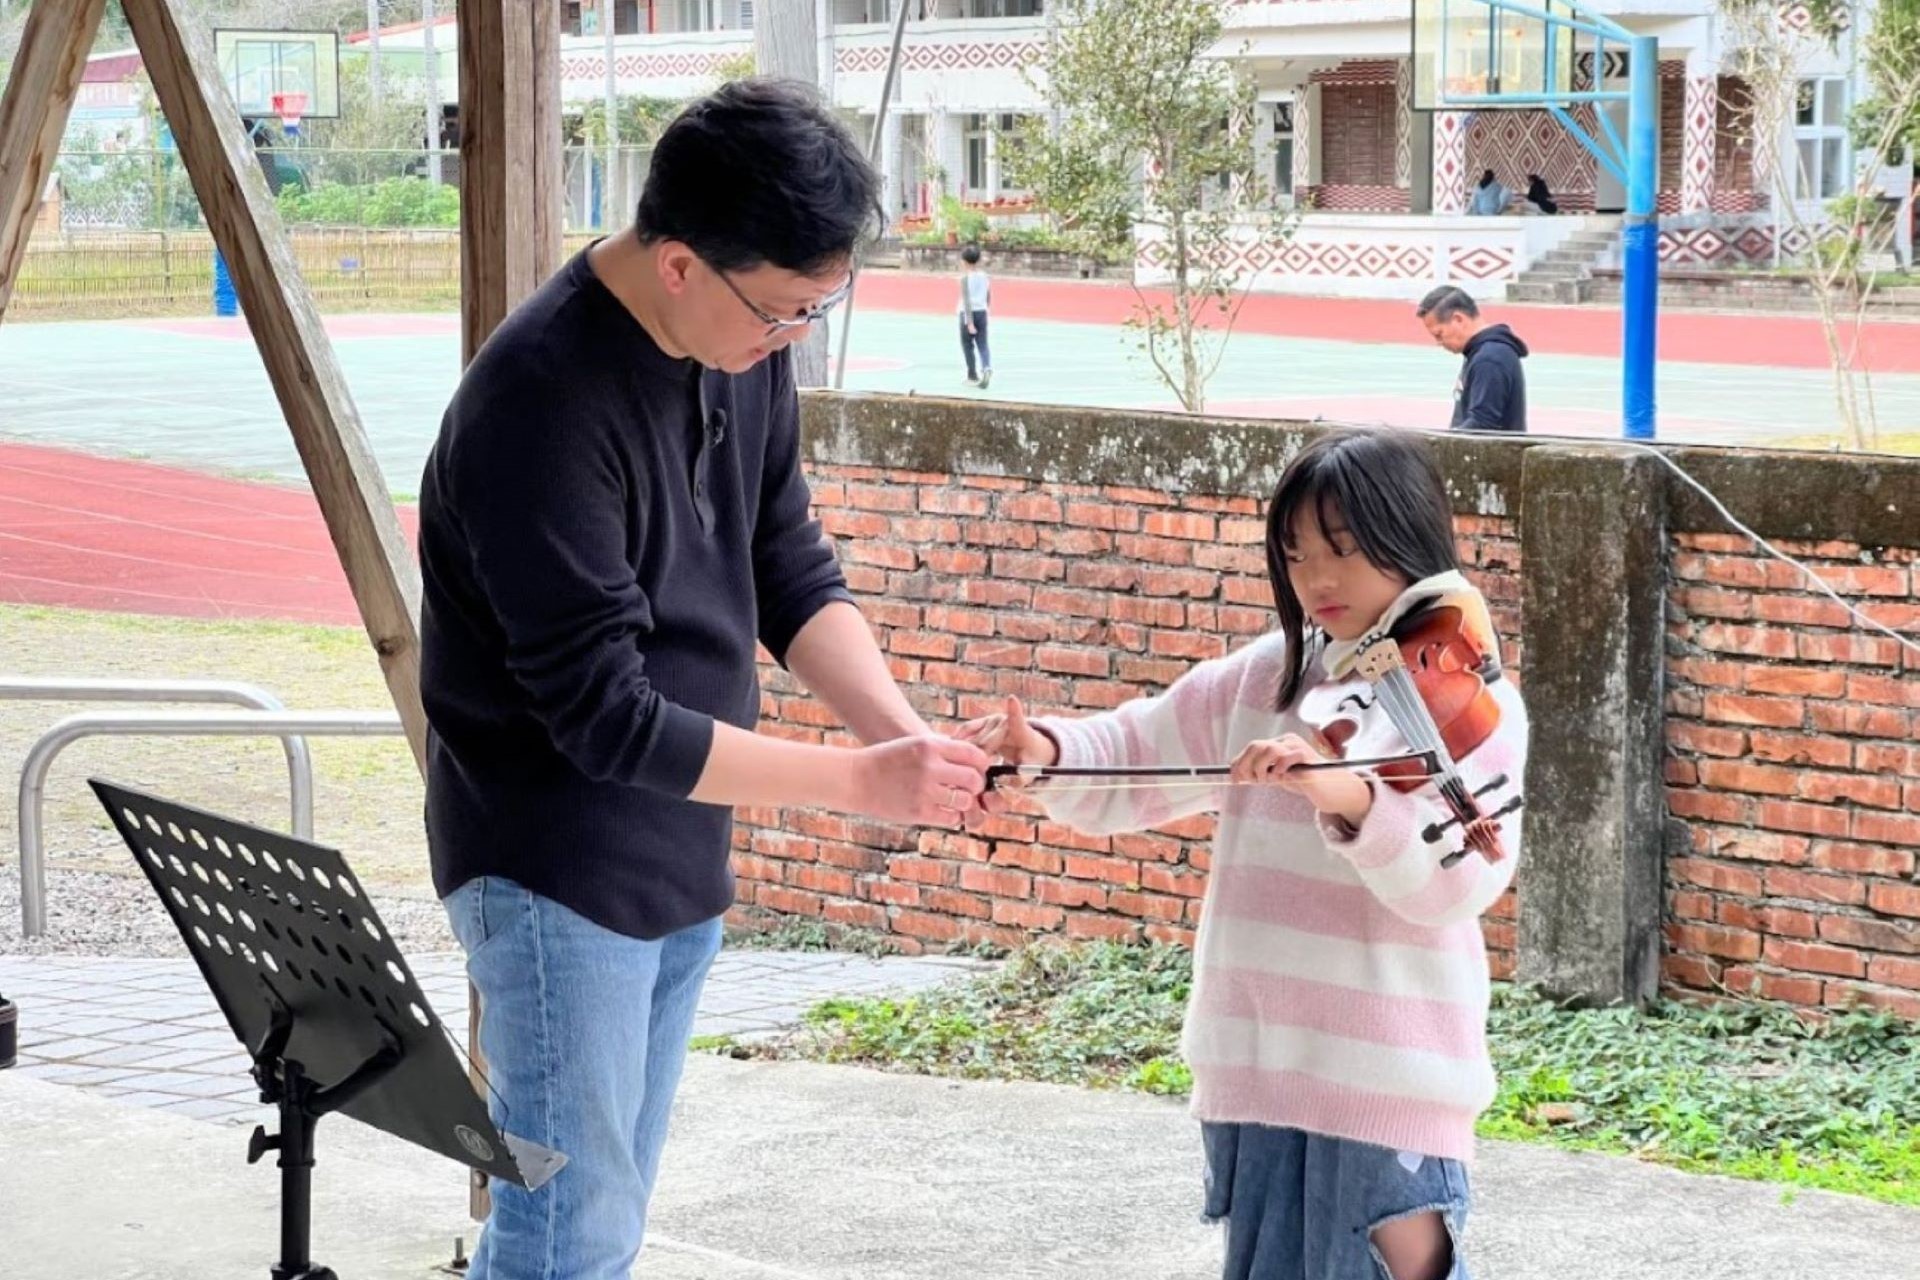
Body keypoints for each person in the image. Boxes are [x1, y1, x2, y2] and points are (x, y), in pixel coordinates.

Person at [416, 78, 991, 1280]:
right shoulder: (537, 402)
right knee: (572, 1221)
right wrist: (857, 780)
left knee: (602, 1205)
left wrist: (909, 741)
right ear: (679, 263)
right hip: (551, 864)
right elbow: (603, 715)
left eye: (814, 311)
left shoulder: (738, 344)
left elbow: (788, 566)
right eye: (784, 311)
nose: (792, 337)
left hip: (678, 846)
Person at [963, 427, 1527, 1280]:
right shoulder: (1271, 677)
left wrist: (1347, 794)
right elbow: (1137, 751)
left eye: (1344, 550)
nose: (1318, 581)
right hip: (1258, 1070)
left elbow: (1463, 882)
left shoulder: (1464, 694)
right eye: (1297, 557)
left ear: (1409, 539)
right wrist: (1044, 749)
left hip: (1391, 1088)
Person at [1415, 286, 1529, 432]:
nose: (1439, 342)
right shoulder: (1481, 353)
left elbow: (1482, 425)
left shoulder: (1489, 359)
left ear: (1458, 320)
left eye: (1439, 334)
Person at [958, 242, 992, 388]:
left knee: (967, 345)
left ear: (963, 261)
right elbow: (988, 295)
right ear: (978, 260)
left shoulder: (965, 279)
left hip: (968, 315)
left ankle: (972, 375)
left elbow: (966, 301)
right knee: (983, 344)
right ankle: (986, 367)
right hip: (982, 312)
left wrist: (969, 322)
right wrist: (986, 308)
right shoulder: (984, 276)